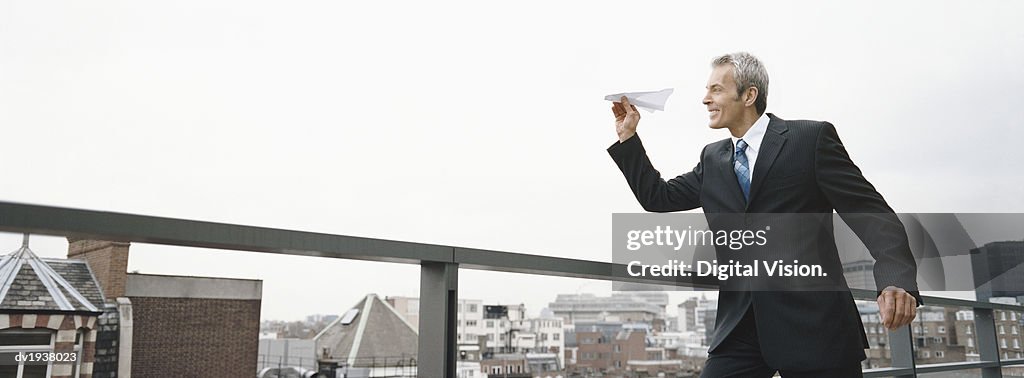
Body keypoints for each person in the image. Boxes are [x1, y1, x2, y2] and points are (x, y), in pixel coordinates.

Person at [607, 52, 921, 377]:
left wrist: (895, 281)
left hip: (814, 326)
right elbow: (658, 197)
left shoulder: (810, 140)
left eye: (716, 89)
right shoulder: (713, 158)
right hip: (739, 329)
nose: (705, 99)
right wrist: (628, 137)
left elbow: (872, 215)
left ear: (748, 95)